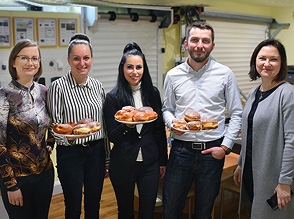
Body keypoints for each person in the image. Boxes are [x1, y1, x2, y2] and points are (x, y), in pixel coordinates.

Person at [162, 20, 243, 219]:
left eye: (205, 41)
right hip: (180, 150)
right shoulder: (173, 75)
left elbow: (236, 113)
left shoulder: (225, 74)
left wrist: (225, 147)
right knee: (170, 209)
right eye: (195, 40)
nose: (200, 45)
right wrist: (172, 123)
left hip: (212, 152)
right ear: (186, 43)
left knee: (204, 212)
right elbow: (167, 109)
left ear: (212, 45)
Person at [47, 33, 109, 219]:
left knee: (93, 204)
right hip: (71, 154)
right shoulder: (57, 87)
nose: (82, 63)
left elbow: (103, 127)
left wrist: (107, 159)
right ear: (69, 60)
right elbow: (54, 127)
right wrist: (73, 134)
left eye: (86, 58)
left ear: (91, 59)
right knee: (73, 205)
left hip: (96, 152)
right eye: (76, 58)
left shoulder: (98, 86)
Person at [103, 42, 167, 219]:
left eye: (139, 67)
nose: (134, 72)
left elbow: (159, 129)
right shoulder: (112, 98)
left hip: (150, 163)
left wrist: (163, 160)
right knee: (125, 211)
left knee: (147, 211)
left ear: (144, 69)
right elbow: (113, 135)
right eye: (129, 67)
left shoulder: (152, 93)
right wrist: (128, 125)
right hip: (123, 163)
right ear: (122, 69)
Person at [233, 39, 294, 218]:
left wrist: (285, 182)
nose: (267, 64)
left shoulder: (287, 93)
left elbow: (292, 140)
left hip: (273, 174)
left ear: (282, 63)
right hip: (252, 170)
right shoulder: (254, 92)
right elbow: (249, 132)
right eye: (262, 58)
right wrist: (241, 164)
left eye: (273, 59)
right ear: (255, 61)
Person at [0, 39, 54, 219]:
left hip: (45, 174)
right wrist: (11, 185)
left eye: (35, 58)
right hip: (17, 177)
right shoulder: (4, 96)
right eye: (24, 58)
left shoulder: (43, 91)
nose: (30, 63)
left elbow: (50, 125)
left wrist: (50, 143)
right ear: (13, 62)